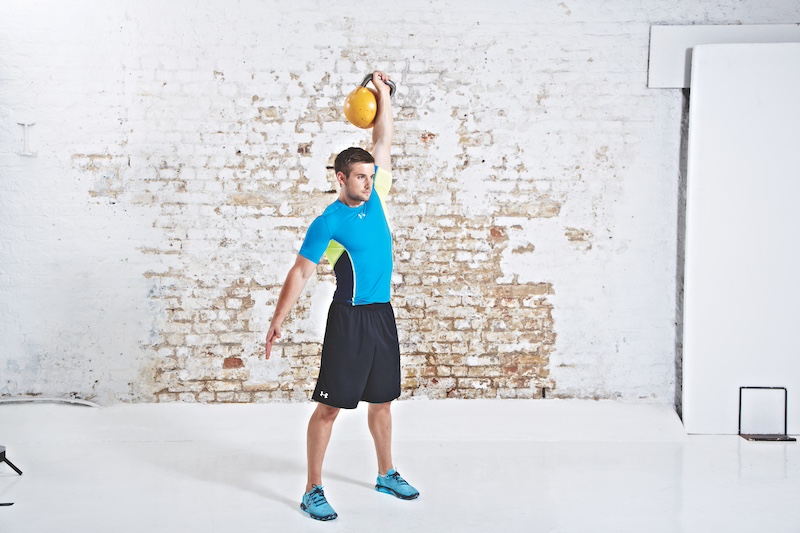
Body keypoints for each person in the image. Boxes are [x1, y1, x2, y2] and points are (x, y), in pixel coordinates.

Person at [264, 71, 419, 521]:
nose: (369, 183)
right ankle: (313, 488)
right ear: (340, 178)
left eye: (371, 176)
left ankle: (386, 473)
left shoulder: (378, 198)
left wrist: (382, 94)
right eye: (360, 177)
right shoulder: (328, 223)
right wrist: (278, 318)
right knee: (330, 407)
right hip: (349, 320)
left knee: (383, 401)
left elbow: (384, 136)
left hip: (382, 317)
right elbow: (300, 271)